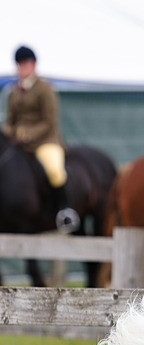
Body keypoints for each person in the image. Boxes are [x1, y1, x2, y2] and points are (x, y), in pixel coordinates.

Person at [5, 46, 78, 231]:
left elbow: (49, 121)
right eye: (20, 64)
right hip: (19, 144)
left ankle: (64, 212)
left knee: (54, 169)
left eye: (26, 64)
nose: (23, 68)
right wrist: (11, 131)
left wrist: (28, 135)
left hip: (45, 141)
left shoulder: (45, 89)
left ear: (33, 65)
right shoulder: (13, 91)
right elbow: (10, 121)